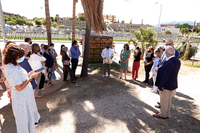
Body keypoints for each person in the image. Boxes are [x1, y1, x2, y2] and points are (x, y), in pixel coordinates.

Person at [4, 44, 40, 133]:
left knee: (29, 120)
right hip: (21, 99)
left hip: (26, 97)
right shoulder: (11, 68)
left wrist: (30, 74)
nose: (22, 57)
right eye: (20, 55)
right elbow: (19, 87)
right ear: (14, 56)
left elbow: (21, 78)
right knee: (24, 123)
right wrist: (31, 77)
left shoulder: (15, 65)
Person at [153, 46, 181, 119]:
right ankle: (166, 113)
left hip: (166, 84)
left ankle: (162, 114)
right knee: (168, 100)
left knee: (164, 100)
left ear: (166, 53)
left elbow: (166, 76)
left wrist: (160, 86)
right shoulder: (176, 60)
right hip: (171, 84)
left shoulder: (169, 62)